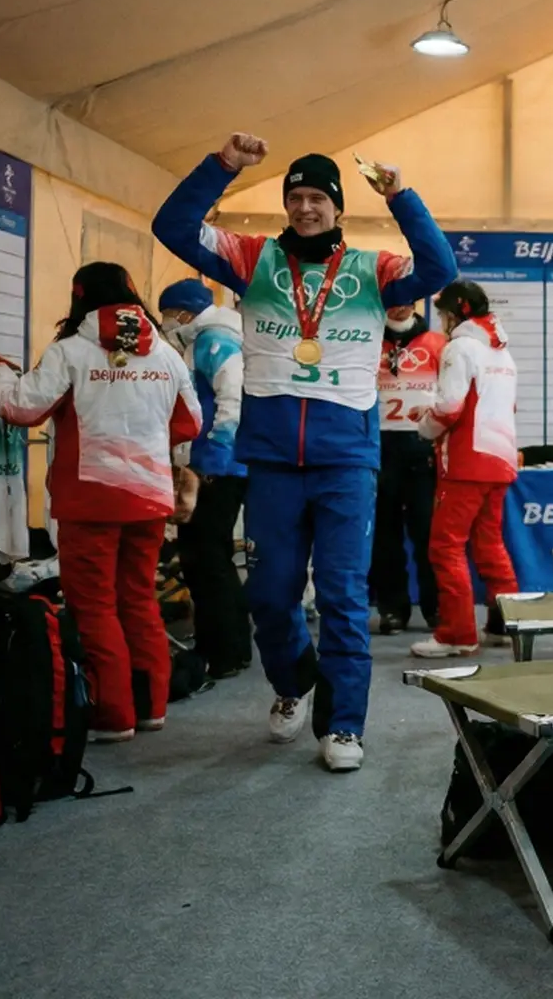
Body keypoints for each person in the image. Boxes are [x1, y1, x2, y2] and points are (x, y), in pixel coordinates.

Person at [152, 133, 456, 773]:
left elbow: (440, 268)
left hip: (347, 458)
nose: (306, 208)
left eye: (318, 197)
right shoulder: (252, 258)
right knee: (269, 593)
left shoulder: (374, 270)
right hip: (270, 460)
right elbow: (173, 224)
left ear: (338, 207)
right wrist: (225, 165)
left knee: (345, 595)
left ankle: (344, 724)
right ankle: (294, 681)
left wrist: (400, 196)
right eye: (296, 197)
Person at [0, 263, 202, 742]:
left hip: (90, 500)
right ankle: (149, 708)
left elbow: (20, 407)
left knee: (95, 607)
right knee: (138, 599)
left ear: (80, 297)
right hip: (150, 497)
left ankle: (113, 717)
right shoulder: (165, 354)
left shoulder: (71, 352)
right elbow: (190, 423)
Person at [410, 281, 521, 658]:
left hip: (465, 462)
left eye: (442, 313)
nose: (441, 320)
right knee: (490, 544)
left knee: (446, 547)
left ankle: (458, 635)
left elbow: (448, 408)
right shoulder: (502, 352)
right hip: (501, 459)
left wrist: (423, 426)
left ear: (456, 313)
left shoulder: (459, 348)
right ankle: (508, 625)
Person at [157, 277, 252, 679]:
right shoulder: (214, 337)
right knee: (212, 558)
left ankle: (222, 650)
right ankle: (230, 646)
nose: (165, 325)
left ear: (183, 312)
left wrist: (212, 455)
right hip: (221, 463)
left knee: (205, 559)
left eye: (167, 316)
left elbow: (231, 400)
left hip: (218, 466)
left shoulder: (214, 341)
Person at [373, 302, 446, 634]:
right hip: (378, 447)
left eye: (408, 300)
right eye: (394, 299)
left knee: (427, 532)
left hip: (421, 448)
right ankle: (392, 609)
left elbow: (451, 397)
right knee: (384, 536)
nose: (400, 307)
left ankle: (435, 607)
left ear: (417, 303)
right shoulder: (369, 338)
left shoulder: (437, 343)